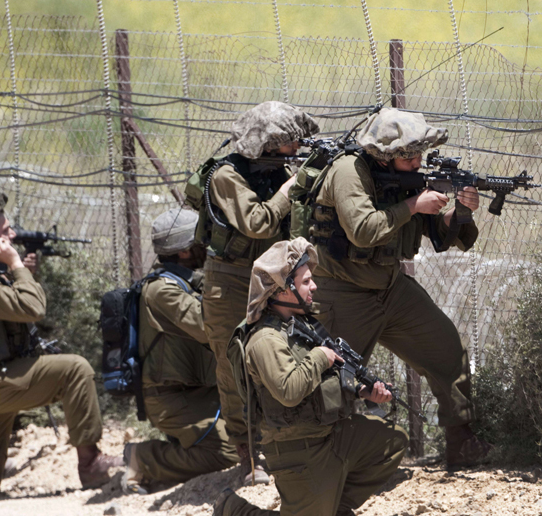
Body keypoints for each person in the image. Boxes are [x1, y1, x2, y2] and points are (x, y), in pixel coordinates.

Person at [306, 107, 491, 468]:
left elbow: (439, 233)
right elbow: (363, 229)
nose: (419, 163)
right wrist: (413, 204)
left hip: (390, 286)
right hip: (343, 292)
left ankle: (461, 442)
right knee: (332, 383)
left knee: (446, 350)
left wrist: (462, 212)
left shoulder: (408, 179)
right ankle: (319, 462)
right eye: (410, 157)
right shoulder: (349, 172)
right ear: (386, 156)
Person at [0, 191, 121, 507]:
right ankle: (91, 463)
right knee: (75, 370)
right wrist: (17, 265)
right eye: (5, 232)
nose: (13, 235)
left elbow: (9, 310)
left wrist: (21, 273)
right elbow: (32, 307)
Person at [214, 237, 407, 516]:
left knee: (391, 441)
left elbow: (326, 380)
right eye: (305, 282)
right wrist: (320, 356)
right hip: (297, 448)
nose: (314, 286)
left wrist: (362, 391)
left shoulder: (301, 325)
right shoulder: (264, 340)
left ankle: (333, 508)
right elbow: (289, 391)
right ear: (282, 288)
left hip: (330, 432)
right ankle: (233, 509)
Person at [194, 101, 318, 483]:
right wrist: (289, 188)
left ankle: (295, 442)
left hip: (271, 276)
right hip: (230, 281)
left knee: (287, 353)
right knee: (235, 369)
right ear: (267, 143)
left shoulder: (279, 170)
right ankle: (248, 455)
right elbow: (258, 222)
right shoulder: (226, 176)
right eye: (287, 144)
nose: (294, 152)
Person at [122, 209, 238, 494]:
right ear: (186, 252)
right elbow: (208, 326)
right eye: (202, 240)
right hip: (172, 398)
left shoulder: (187, 281)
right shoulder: (162, 291)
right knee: (227, 454)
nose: (208, 246)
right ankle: (144, 458)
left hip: (201, 392)